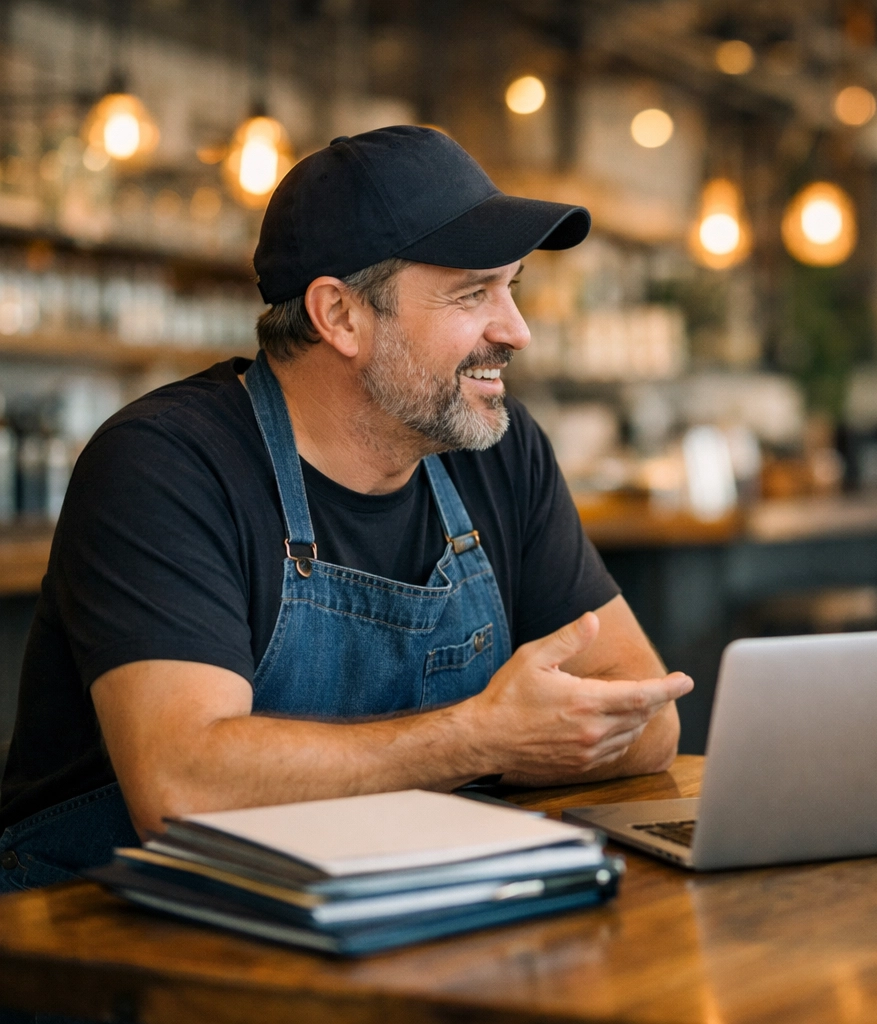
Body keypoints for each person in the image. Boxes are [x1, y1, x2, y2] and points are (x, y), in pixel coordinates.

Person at [0, 126, 692, 893]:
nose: (516, 330)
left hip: (383, 910)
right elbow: (185, 789)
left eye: (512, 287)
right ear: (341, 317)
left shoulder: (500, 452)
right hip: (114, 942)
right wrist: (481, 737)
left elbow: (651, 719)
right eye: (473, 294)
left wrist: (499, 740)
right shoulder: (165, 465)